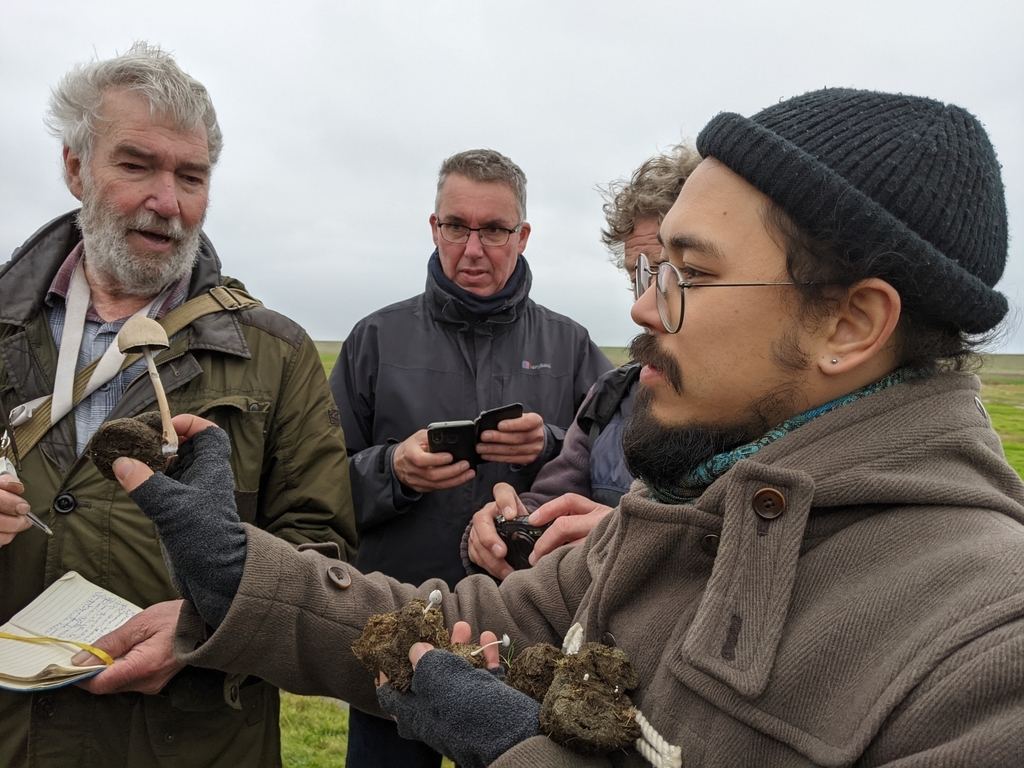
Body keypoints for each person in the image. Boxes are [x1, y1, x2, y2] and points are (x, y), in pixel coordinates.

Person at [81, 87, 1024, 766]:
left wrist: (527, 755)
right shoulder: (671, 524)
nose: (646, 315)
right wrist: (236, 570)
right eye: (644, 274)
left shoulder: (986, 652)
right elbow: (455, 624)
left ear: (849, 324)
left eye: (686, 275)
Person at [0, 43, 357, 768]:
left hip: (193, 741)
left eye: (191, 176)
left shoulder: (276, 352)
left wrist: (208, 624)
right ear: (75, 166)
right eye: (137, 165)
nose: (168, 202)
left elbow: (323, 548)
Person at [327, 148, 611, 765]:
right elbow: (315, 490)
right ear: (434, 227)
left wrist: (550, 445)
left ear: (524, 236)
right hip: (398, 620)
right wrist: (393, 471)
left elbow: (618, 471)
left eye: (494, 230)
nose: (473, 248)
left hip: (531, 634)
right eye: (456, 226)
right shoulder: (374, 339)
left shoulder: (571, 344)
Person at [464, 143, 701, 580]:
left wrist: (627, 538)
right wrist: (506, 526)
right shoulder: (611, 395)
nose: (642, 306)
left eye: (673, 274)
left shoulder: (781, 411)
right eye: (638, 276)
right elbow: (556, 500)